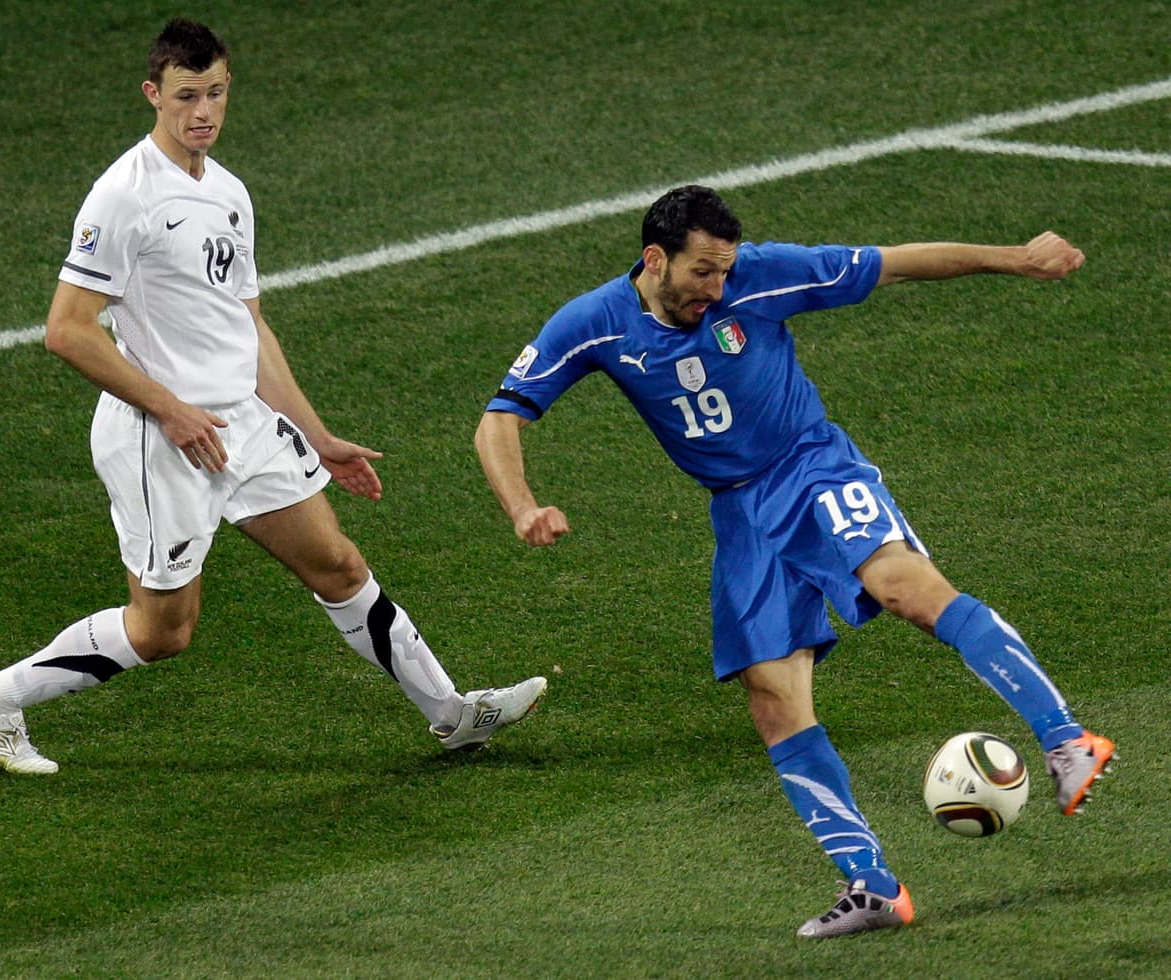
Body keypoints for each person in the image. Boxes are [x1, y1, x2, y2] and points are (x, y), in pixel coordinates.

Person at [473, 184, 1115, 938]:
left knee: (904, 587)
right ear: (655, 259)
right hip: (740, 515)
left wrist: (1018, 260)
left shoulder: (760, 276)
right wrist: (522, 506)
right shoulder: (592, 324)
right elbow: (500, 418)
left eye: (725, 272)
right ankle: (874, 887)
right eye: (702, 272)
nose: (716, 289)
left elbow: (896, 265)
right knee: (774, 700)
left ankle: (1067, 738)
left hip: (811, 469)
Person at [0, 18, 545, 775]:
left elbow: (249, 325)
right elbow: (67, 331)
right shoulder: (123, 196)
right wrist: (169, 407)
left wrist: (315, 432)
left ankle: (453, 715)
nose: (204, 111)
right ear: (153, 95)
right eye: (187, 95)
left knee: (339, 567)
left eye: (217, 93)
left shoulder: (228, 192)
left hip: (243, 425)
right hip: (159, 438)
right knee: (164, 630)